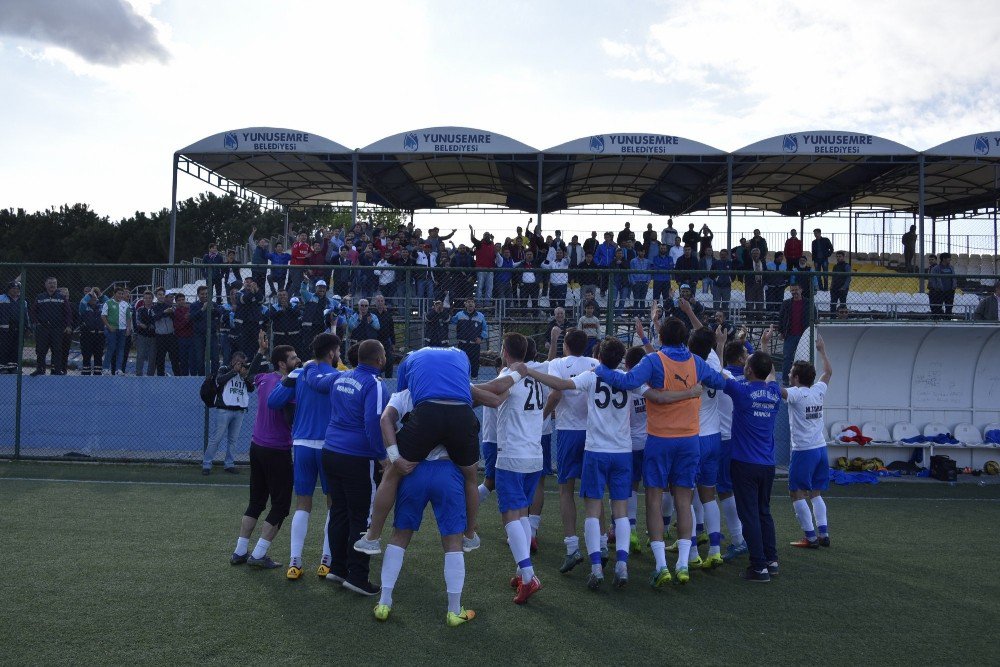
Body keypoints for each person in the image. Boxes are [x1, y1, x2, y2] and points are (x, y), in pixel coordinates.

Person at [516, 338, 699, 589]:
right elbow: (659, 397)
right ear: (620, 359)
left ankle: (596, 569)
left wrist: (531, 372)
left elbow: (560, 384)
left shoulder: (592, 377)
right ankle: (622, 565)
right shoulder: (629, 379)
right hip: (622, 452)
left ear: (600, 356)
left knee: (592, 510)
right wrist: (689, 392)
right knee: (620, 511)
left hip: (596, 451)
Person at [590, 317, 728, 587]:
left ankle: (662, 565)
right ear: (684, 338)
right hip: (690, 439)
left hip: (660, 439)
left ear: (661, 337)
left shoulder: (654, 361)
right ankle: (684, 564)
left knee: (653, 499)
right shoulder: (696, 362)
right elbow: (720, 382)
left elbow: (629, 381)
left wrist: (601, 371)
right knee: (684, 500)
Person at [354, 346, 485, 560]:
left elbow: (386, 419)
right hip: (461, 418)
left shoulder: (409, 374)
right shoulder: (461, 360)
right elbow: (489, 398)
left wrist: (395, 458)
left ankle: (372, 537)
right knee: (471, 477)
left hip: (426, 424)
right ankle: (470, 534)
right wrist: (515, 375)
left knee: (391, 474)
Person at [373, 387, 477, 626]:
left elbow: (386, 419)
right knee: (453, 541)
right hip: (447, 470)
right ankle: (454, 610)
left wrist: (393, 456)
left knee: (399, 536)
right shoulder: (454, 391)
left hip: (412, 470)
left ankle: (384, 602)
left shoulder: (404, 395)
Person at [304, 339, 387, 596]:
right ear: (380, 360)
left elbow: (316, 382)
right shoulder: (374, 384)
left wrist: (309, 366)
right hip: (357, 457)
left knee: (339, 511)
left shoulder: (341, 377)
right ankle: (358, 576)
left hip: (331, 451)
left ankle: (338, 568)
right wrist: (382, 456)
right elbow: (374, 423)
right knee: (360, 517)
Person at [476, 333, 544, 603]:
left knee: (510, 516)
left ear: (505, 352)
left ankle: (528, 577)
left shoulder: (509, 374)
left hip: (512, 455)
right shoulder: (537, 374)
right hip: (534, 455)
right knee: (522, 514)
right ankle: (521, 570)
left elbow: (493, 393)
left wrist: (458, 386)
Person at [267, 333, 340, 580]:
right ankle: (326, 561)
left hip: (302, 446)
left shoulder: (299, 373)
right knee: (334, 503)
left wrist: (292, 377)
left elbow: (274, 401)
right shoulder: (339, 375)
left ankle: (295, 562)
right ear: (332, 353)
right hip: (330, 447)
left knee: (303, 504)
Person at [229, 336, 298, 570]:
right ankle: (258, 554)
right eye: (292, 358)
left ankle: (239, 551)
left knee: (256, 502)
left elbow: (248, 375)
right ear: (281, 363)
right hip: (277, 450)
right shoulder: (290, 385)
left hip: (256, 447)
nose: (297, 360)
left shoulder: (264, 378)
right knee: (281, 505)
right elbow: (290, 419)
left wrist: (260, 351)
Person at [722, 343, 782, 582]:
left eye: (746, 363)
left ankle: (758, 567)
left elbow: (717, 374)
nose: (743, 364)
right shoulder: (775, 392)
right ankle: (771, 560)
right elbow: (773, 374)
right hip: (768, 465)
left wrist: (718, 343)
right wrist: (765, 347)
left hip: (744, 463)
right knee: (764, 512)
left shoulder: (742, 391)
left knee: (749, 516)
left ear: (748, 371)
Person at [542, 329, 599, 574]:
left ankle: (572, 547)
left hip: (568, 431)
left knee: (566, 490)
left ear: (565, 345)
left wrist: (542, 417)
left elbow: (555, 393)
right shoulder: (595, 363)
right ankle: (602, 547)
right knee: (593, 493)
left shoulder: (557, 364)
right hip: (593, 432)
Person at [783, 334, 833, 549]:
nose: (788, 374)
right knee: (815, 493)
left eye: (790, 373)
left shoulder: (795, 393)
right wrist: (822, 351)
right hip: (821, 448)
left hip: (803, 451)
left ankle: (810, 538)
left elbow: (776, 390)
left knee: (795, 492)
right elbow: (828, 372)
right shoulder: (817, 390)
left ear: (795, 379)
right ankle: (823, 533)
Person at [202, 348, 260, 475]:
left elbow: (251, 389)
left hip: (239, 410)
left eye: (243, 362)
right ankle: (206, 464)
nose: (242, 365)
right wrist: (234, 371)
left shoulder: (245, 372)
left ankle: (229, 464)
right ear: (234, 361)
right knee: (216, 438)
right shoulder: (224, 369)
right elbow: (219, 380)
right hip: (224, 409)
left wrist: (244, 377)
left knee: (233, 440)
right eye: (239, 362)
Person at [717, 341, 749, 562]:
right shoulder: (752, 380)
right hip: (744, 442)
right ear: (740, 359)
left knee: (722, 490)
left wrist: (720, 344)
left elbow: (717, 370)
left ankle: (738, 540)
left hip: (724, 441)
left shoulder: (725, 377)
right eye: (746, 352)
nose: (749, 354)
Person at [29, 277, 71, 376]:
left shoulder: (61, 297)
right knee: (40, 349)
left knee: (57, 349)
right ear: (45, 285)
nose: (52, 285)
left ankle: (56, 370)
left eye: (54, 283)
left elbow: (68, 312)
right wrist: (36, 322)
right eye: (50, 283)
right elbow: (33, 311)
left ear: (56, 285)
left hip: (57, 328)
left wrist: (68, 325)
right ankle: (40, 369)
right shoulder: (40, 297)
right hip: (43, 328)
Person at [777, 284, 816, 384]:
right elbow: (781, 319)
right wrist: (781, 332)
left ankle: (805, 380)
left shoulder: (809, 303)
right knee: (787, 358)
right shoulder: (786, 303)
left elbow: (814, 317)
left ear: (801, 290)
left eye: (796, 290)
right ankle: (786, 380)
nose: (794, 292)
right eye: (792, 290)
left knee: (805, 358)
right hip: (790, 335)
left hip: (805, 335)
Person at [451, 298, 487, 378]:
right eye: (468, 302)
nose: (470, 303)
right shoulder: (459, 314)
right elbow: (451, 321)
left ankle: (474, 380)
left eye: (472, 302)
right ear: (465, 304)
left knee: (475, 364)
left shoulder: (480, 316)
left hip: (474, 345)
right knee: (462, 364)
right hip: (462, 345)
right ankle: (462, 380)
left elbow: (485, 329)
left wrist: (480, 338)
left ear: (474, 304)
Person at [101, 287, 131, 376]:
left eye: (122, 294)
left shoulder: (126, 304)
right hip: (112, 329)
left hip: (122, 330)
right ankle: (105, 368)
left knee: (121, 349)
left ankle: (119, 369)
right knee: (111, 347)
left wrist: (128, 328)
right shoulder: (108, 303)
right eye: (119, 293)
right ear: (114, 294)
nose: (120, 295)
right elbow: (103, 316)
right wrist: (109, 327)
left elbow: (128, 317)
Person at [78, 288, 106, 376]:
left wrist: (100, 294)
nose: (94, 299)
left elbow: (109, 302)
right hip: (87, 335)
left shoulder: (102, 307)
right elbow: (82, 302)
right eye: (92, 298)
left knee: (98, 356)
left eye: (96, 298)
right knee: (86, 356)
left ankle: (98, 374)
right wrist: (90, 294)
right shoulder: (84, 307)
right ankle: (86, 374)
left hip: (100, 335)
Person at [152, 288, 178, 376]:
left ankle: (177, 375)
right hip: (160, 336)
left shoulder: (169, 306)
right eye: (159, 294)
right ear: (156, 296)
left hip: (171, 335)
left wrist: (171, 312)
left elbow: (174, 318)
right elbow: (155, 318)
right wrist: (164, 312)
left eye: (163, 294)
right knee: (160, 357)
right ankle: (160, 375)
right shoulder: (154, 307)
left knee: (174, 357)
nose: (161, 296)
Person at [0, 281, 24, 374]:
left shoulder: (23, 300)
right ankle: (2, 367)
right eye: (13, 288)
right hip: (3, 329)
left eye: (17, 289)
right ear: (9, 289)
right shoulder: (1, 298)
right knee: (3, 348)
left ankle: (13, 367)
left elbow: (26, 315)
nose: (15, 290)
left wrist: (28, 327)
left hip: (18, 329)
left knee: (16, 348)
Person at [133, 290, 156, 376]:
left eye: (150, 298)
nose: (148, 300)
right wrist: (146, 325)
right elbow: (138, 322)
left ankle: (150, 374)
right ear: (143, 299)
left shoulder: (155, 309)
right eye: (146, 298)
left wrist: (149, 325)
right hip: (142, 335)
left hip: (153, 336)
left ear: (152, 299)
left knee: (152, 356)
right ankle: (139, 373)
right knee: (140, 355)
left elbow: (156, 321)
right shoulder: (139, 310)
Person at [372, 294, 395, 379]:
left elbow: (392, 330)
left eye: (382, 301)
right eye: (378, 301)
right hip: (376, 341)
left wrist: (393, 343)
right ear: (375, 302)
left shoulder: (388, 315)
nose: (380, 303)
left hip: (386, 341)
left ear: (384, 302)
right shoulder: (372, 314)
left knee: (389, 360)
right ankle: (377, 377)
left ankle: (389, 378)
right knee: (376, 360)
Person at [470, 227, 497, 301]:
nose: (487, 236)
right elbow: (472, 238)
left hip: (490, 269)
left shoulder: (492, 245)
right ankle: (478, 303)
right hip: (481, 269)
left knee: (489, 287)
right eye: (485, 235)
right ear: (483, 237)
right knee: (480, 287)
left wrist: (492, 239)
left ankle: (487, 304)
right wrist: (471, 230)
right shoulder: (479, 244)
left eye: (488, 235)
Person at [172, 293, 194, 376]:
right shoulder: (175, 312)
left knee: (192, 360)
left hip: (191, 337)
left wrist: (186, 320)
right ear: (176, 302)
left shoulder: (190, 309)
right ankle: (184, 377)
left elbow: (192, 322)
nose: (181, 301)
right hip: (181, 339)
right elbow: (177, 326)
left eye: (182, 299)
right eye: (179, 300)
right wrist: (186, 320)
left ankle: (193, 377)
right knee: (183, 360)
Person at [711, 248, 733, 312]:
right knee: (716, 304)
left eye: (724, 255)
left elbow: (734, 274)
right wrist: (716, 279)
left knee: (725, 304)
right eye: (721, 254)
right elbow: (711, 273)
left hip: (727, 287)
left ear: (727, 255)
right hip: (716, 287)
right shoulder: (716, 263)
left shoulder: (730, 263)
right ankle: (715, 318)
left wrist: (730, 279)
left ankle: (725, 319)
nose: (723, 256)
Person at [745, 248, 766, 314]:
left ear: (759, 254)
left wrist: (764, 283)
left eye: (757, 253)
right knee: (750, 303)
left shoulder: (762, 262)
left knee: (760, 303)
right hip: (750, 285)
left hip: (760, 284)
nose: (755, 255)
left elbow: (765, 272)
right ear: (751, 254)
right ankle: (749, 320)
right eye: (754, 253)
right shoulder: (748, 262)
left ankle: (759, 320)